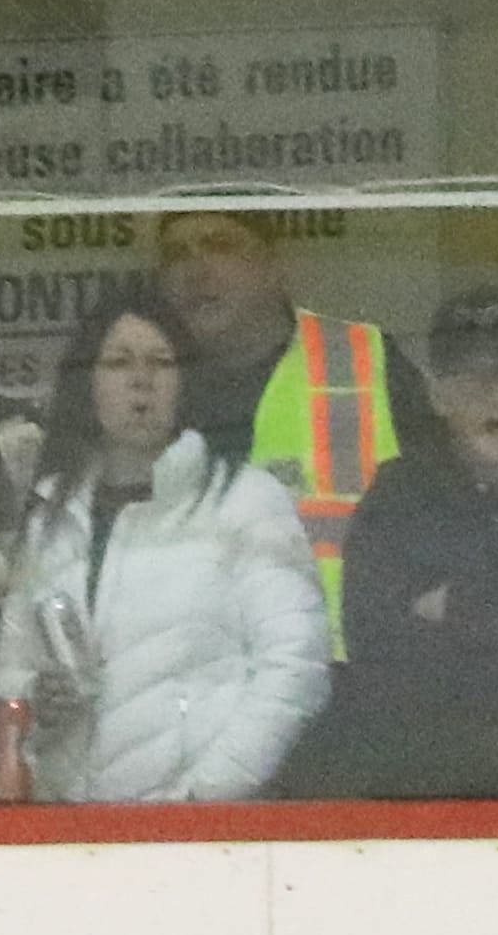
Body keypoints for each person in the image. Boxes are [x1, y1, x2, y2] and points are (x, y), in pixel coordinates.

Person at [0, 292, 333, 806]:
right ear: (89, 383)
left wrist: (201, 799)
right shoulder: (52, 516)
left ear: (186, 381)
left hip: (204, 836)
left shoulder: (243, 500)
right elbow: (12, 679)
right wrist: (42, 710)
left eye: (160, 363)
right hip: (69, 833)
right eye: (119, 362)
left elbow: (295, 668)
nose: (140, 380)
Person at [325, 289, 498, 801]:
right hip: (430, 795)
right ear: (437, 395)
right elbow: (381, 666)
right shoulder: (398, 501)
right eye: (474, 376)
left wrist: (457, 606)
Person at [150, 204, 418, 641]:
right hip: (202, 674)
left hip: (349, 666)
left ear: (275, 266)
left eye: (221, 246)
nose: (195, 270)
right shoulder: (145, 386)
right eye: (176, 255)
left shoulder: (360, 360)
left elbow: (442, 503)